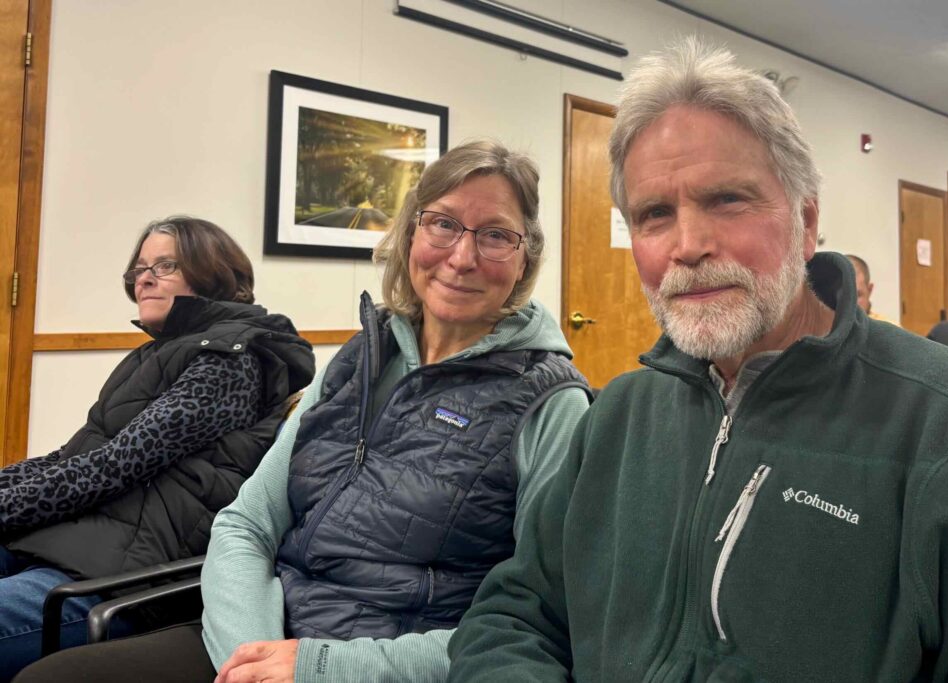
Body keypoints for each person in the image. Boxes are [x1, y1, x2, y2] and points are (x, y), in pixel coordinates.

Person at [447, 38, 948, 682]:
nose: (688, 246)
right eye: (654, 214)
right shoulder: (616, 418)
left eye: (727, 200)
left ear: (806, 223)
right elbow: (513, 616)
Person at [16, 140, 591, 683]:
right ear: (412, 232)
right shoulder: (361, 357)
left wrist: (319, 667)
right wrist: (252, 655)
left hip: (390, 662)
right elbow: (246, 524)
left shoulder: (550, 401)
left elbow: (536, 619)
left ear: (525, 258)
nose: (461, 257)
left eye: (495, 235)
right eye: (442, 223)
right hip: (262, 639)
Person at [0, 216, 315, 680]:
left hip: (119, 579)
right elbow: (70, 459)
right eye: (139, 268)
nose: (143, 278)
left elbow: (113, 467)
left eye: (164, 265)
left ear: (214, 273)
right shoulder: (162, 352)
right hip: (79, 543)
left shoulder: (230, 360)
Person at [845, 253, 898, 325]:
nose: (849, 304)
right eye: (843, 296)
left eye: (857, 295)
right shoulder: (826, 330)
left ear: (869, 290)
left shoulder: (890, 331)